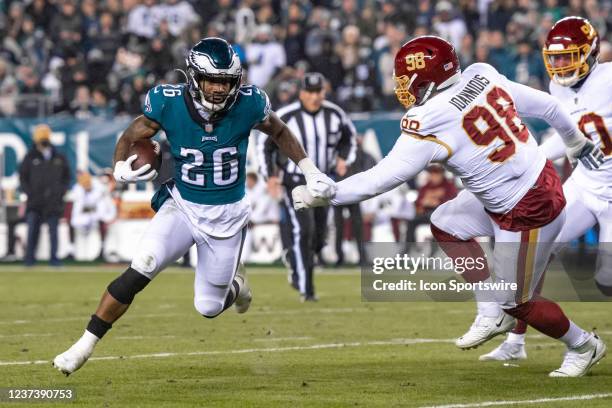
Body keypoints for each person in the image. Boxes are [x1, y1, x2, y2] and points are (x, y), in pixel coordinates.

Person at [292, 36, 606, 377]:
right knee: (445, 222)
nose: (402, 89)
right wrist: (574, 141)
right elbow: (548, 106)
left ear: (425, 78)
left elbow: (379, 180)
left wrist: (328, 193)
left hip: (527, 207)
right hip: (524, 184)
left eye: (404, 81)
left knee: (517, 301)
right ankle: (490, 309)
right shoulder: (481, 74)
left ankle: (583, 345)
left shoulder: (430, 119)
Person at [52, 37, 335, 375]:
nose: (218, 89)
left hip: (227, 217)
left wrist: (310, 170)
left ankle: (237, 286)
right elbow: (130, 136)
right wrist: (118, 168)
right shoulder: (167, 102)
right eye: (211, 80)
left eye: (225, 81)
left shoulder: (249, 103)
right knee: (143, 264)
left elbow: (279, 131)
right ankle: (83, 346)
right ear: (193, 77)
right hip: (183, 205)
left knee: (209, 307)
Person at [480, 17, 612, 363]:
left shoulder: (609, 78)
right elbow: (569, 135)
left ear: (591, 52)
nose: (560, 65)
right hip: (585, 184)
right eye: (555, 58)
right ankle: (515, 342)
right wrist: (532, 154)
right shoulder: (558, 88)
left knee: (607, 281)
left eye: (569, 56)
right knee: (536, 253)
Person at [260, 72, 356, 301]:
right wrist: (270, 176)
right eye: (309, 92)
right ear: (301, 93)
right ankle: (306, 288)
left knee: (320, 236)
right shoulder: (286, 115)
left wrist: (344, 159)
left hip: (324, 181)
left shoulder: (335, 114)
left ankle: (294, 261)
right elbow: (265, 146)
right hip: (295, 181)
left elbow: (349, 138)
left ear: (324, 91)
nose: (314, 97)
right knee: (303, 231)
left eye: (318, 92)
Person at [19, 124, 71, 267]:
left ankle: (54, 259)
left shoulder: (59, 157)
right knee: (32, 231)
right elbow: (23, 177)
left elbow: (66, 177)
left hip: (53, 202)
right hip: (35, 202)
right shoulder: (30, 157)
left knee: (53, 233)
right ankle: (29, 260)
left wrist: (60, 193)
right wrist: (30, 193)